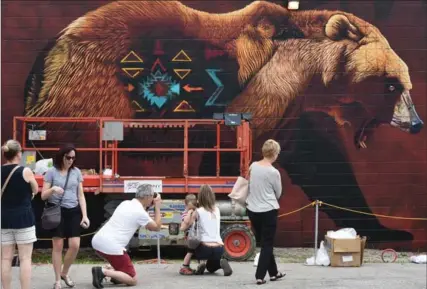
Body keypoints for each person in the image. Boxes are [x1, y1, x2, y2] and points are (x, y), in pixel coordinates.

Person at [90, 184, 162, 288]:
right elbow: (157, 227)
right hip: (112, 247)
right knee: (132, 279)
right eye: (152, 196)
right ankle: (102, 271)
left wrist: (151, 205)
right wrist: (157, 207)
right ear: (147, 197)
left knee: (122, 271)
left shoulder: (125, 203)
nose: (152, 199)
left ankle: (115, 275)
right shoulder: (140, 212)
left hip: (97, 241)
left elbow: (139, 216)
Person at [41, 145, 90, 289]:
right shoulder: (51, 172)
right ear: (61, 156)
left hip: (73, 210)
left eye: (73, 158)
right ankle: (57, 280)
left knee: (75, 245)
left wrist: (85, 215)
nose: (70, 160)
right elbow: (43, 195)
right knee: (57, 246)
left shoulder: (76, 172)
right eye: (68, 157)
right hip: (56, 211)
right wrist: (53, 189)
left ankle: (64, 272)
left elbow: (81, 195)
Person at [246, 139, 285, 285]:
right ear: (274, 154)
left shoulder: (253, 166)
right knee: (267, 244)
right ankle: (260, 276)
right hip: (268, 211)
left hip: (252, 210)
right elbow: (278, 193)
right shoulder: (274, 172)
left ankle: (274, 273)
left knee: (264, 242)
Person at [1, 140, 38, 289]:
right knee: (25, 258)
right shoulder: (25, 171)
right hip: (23, 219)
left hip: (3, 218)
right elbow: (35, 189)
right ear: (18, 154)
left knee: (5, 258)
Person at [181, 184, 232, 277]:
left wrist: (188, 212)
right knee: (211, 268)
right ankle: (220, 263)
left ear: (200, 197)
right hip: (219, 248)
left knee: (193, 243)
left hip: (204, 247)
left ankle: (202, 261)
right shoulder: (217, 210)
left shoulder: (198, 211)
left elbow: (187, 226)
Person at [179, 193, 198, 275]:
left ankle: (187, 266)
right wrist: (190, 212)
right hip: (189, 235)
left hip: (193, 234)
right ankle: (184, 266)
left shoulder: (195, 211)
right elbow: (187, 222)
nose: (191, 209)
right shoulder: (185, 213)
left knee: (191, 251)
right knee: (190, 251)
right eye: (189, 208)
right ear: (185, 205)